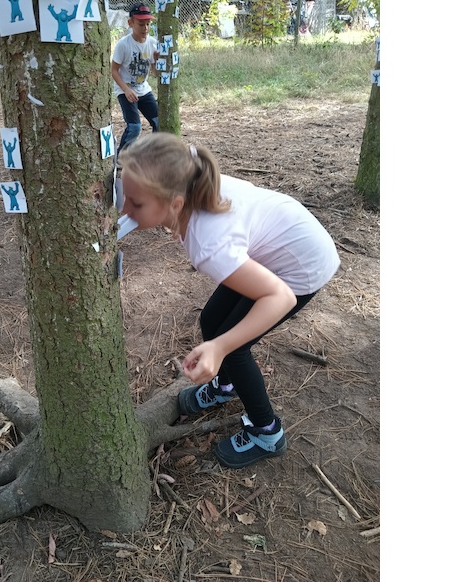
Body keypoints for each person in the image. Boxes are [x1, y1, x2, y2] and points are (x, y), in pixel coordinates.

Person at [118, 133, 341, 469]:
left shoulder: (210, 244)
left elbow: (279, 297)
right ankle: (226, 385)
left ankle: (267, 433)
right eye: (124, 196)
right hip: (278, 250)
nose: (125, 209)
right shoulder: (189, 173)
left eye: (136, 204)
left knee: (234, 348)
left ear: (175, 203)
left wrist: (220, 348)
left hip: (300, 268)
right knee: (212, 321)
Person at [111, 3, 159, 155]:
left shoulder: (153, 43)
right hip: (125, 90)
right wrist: (126, 90)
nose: (145, 28)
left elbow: (155, 73)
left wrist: (158, 62)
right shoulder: (123, 45)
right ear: (130, 23)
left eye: (148, 24)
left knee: (159, 122)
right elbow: (114, 70)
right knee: (134, 128)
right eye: (141, 24)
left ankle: (153, 155)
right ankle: (120, 158)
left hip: (143, 89)